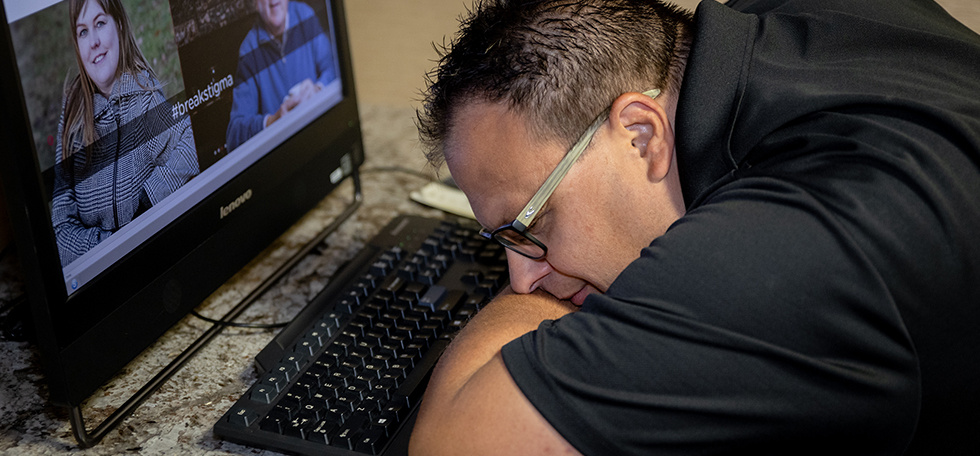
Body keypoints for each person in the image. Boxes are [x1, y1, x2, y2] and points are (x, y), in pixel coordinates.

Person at [409, 0, 980, 454]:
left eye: (532, 224)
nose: (523, 277)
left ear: (641, 134)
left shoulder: (777, 253)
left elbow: (456, 441)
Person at [52, 0, 198, 267]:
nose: (93, 41)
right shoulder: (71, 116)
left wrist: (147, 201)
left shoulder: (145, 98)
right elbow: (60, 229)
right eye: (83, 31)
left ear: (118, 25)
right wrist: (109, 245)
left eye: (100, 23)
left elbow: (194, 144)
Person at [225, 0, 337, 151]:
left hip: (320, 135)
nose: (273, 1)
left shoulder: (304, 15)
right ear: (256, 4)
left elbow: (333, 66)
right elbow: (234, 133)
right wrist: (273, 121)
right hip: (285, 152)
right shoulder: (248, 51)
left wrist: (318, 89)